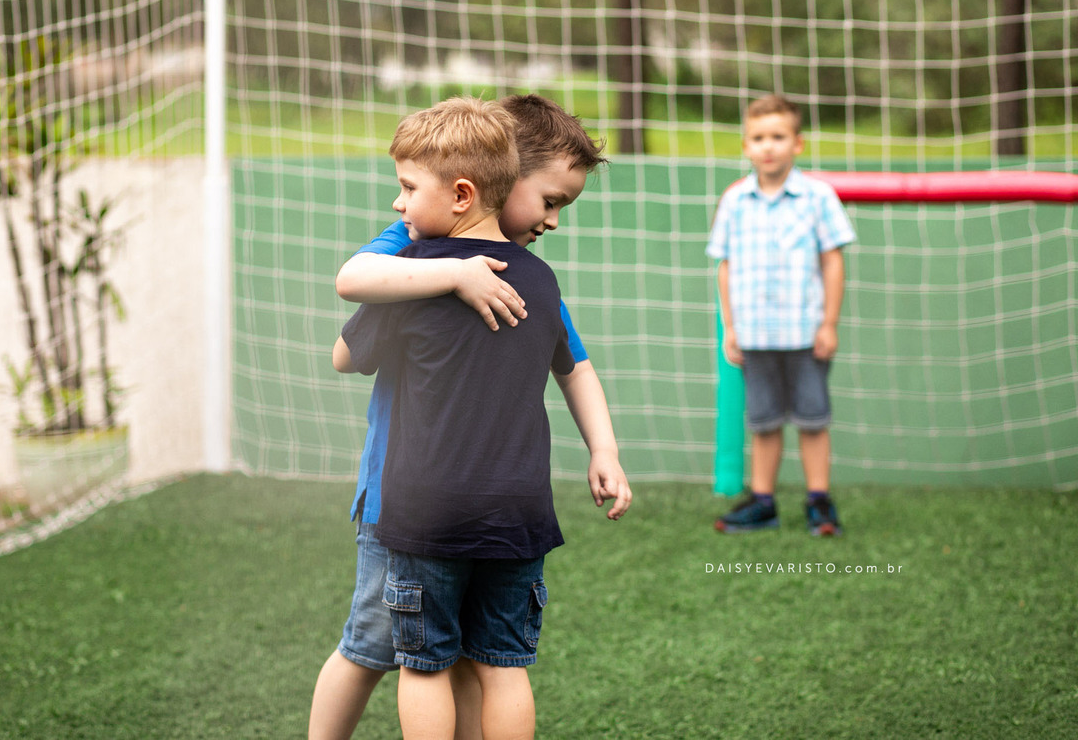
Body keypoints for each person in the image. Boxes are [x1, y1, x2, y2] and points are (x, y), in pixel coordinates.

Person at [308, 94, 631, 740]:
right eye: (550, 200)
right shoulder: (416, 241)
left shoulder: (527, 280)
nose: (554, 220)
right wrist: (454, 274)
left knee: (435, 658)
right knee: (375, 648)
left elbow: (574, 365)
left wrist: (604, 447)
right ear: (499, 179)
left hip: (424, 502)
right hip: (398, 495)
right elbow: (354, 275)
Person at [706, 94, 856, 536]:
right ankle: (764, 502)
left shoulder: (817, 197)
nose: (767, 146)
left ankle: (819, 501)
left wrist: (828, 323)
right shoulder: (735, 201)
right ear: (746, 145)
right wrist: (730, 328)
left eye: (777, 136)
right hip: (754, 336)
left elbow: (832, 261)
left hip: (806, 335)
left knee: (812, 420)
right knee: (764, 421)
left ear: (797, 144)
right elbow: (725, 266)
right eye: (758, 138)